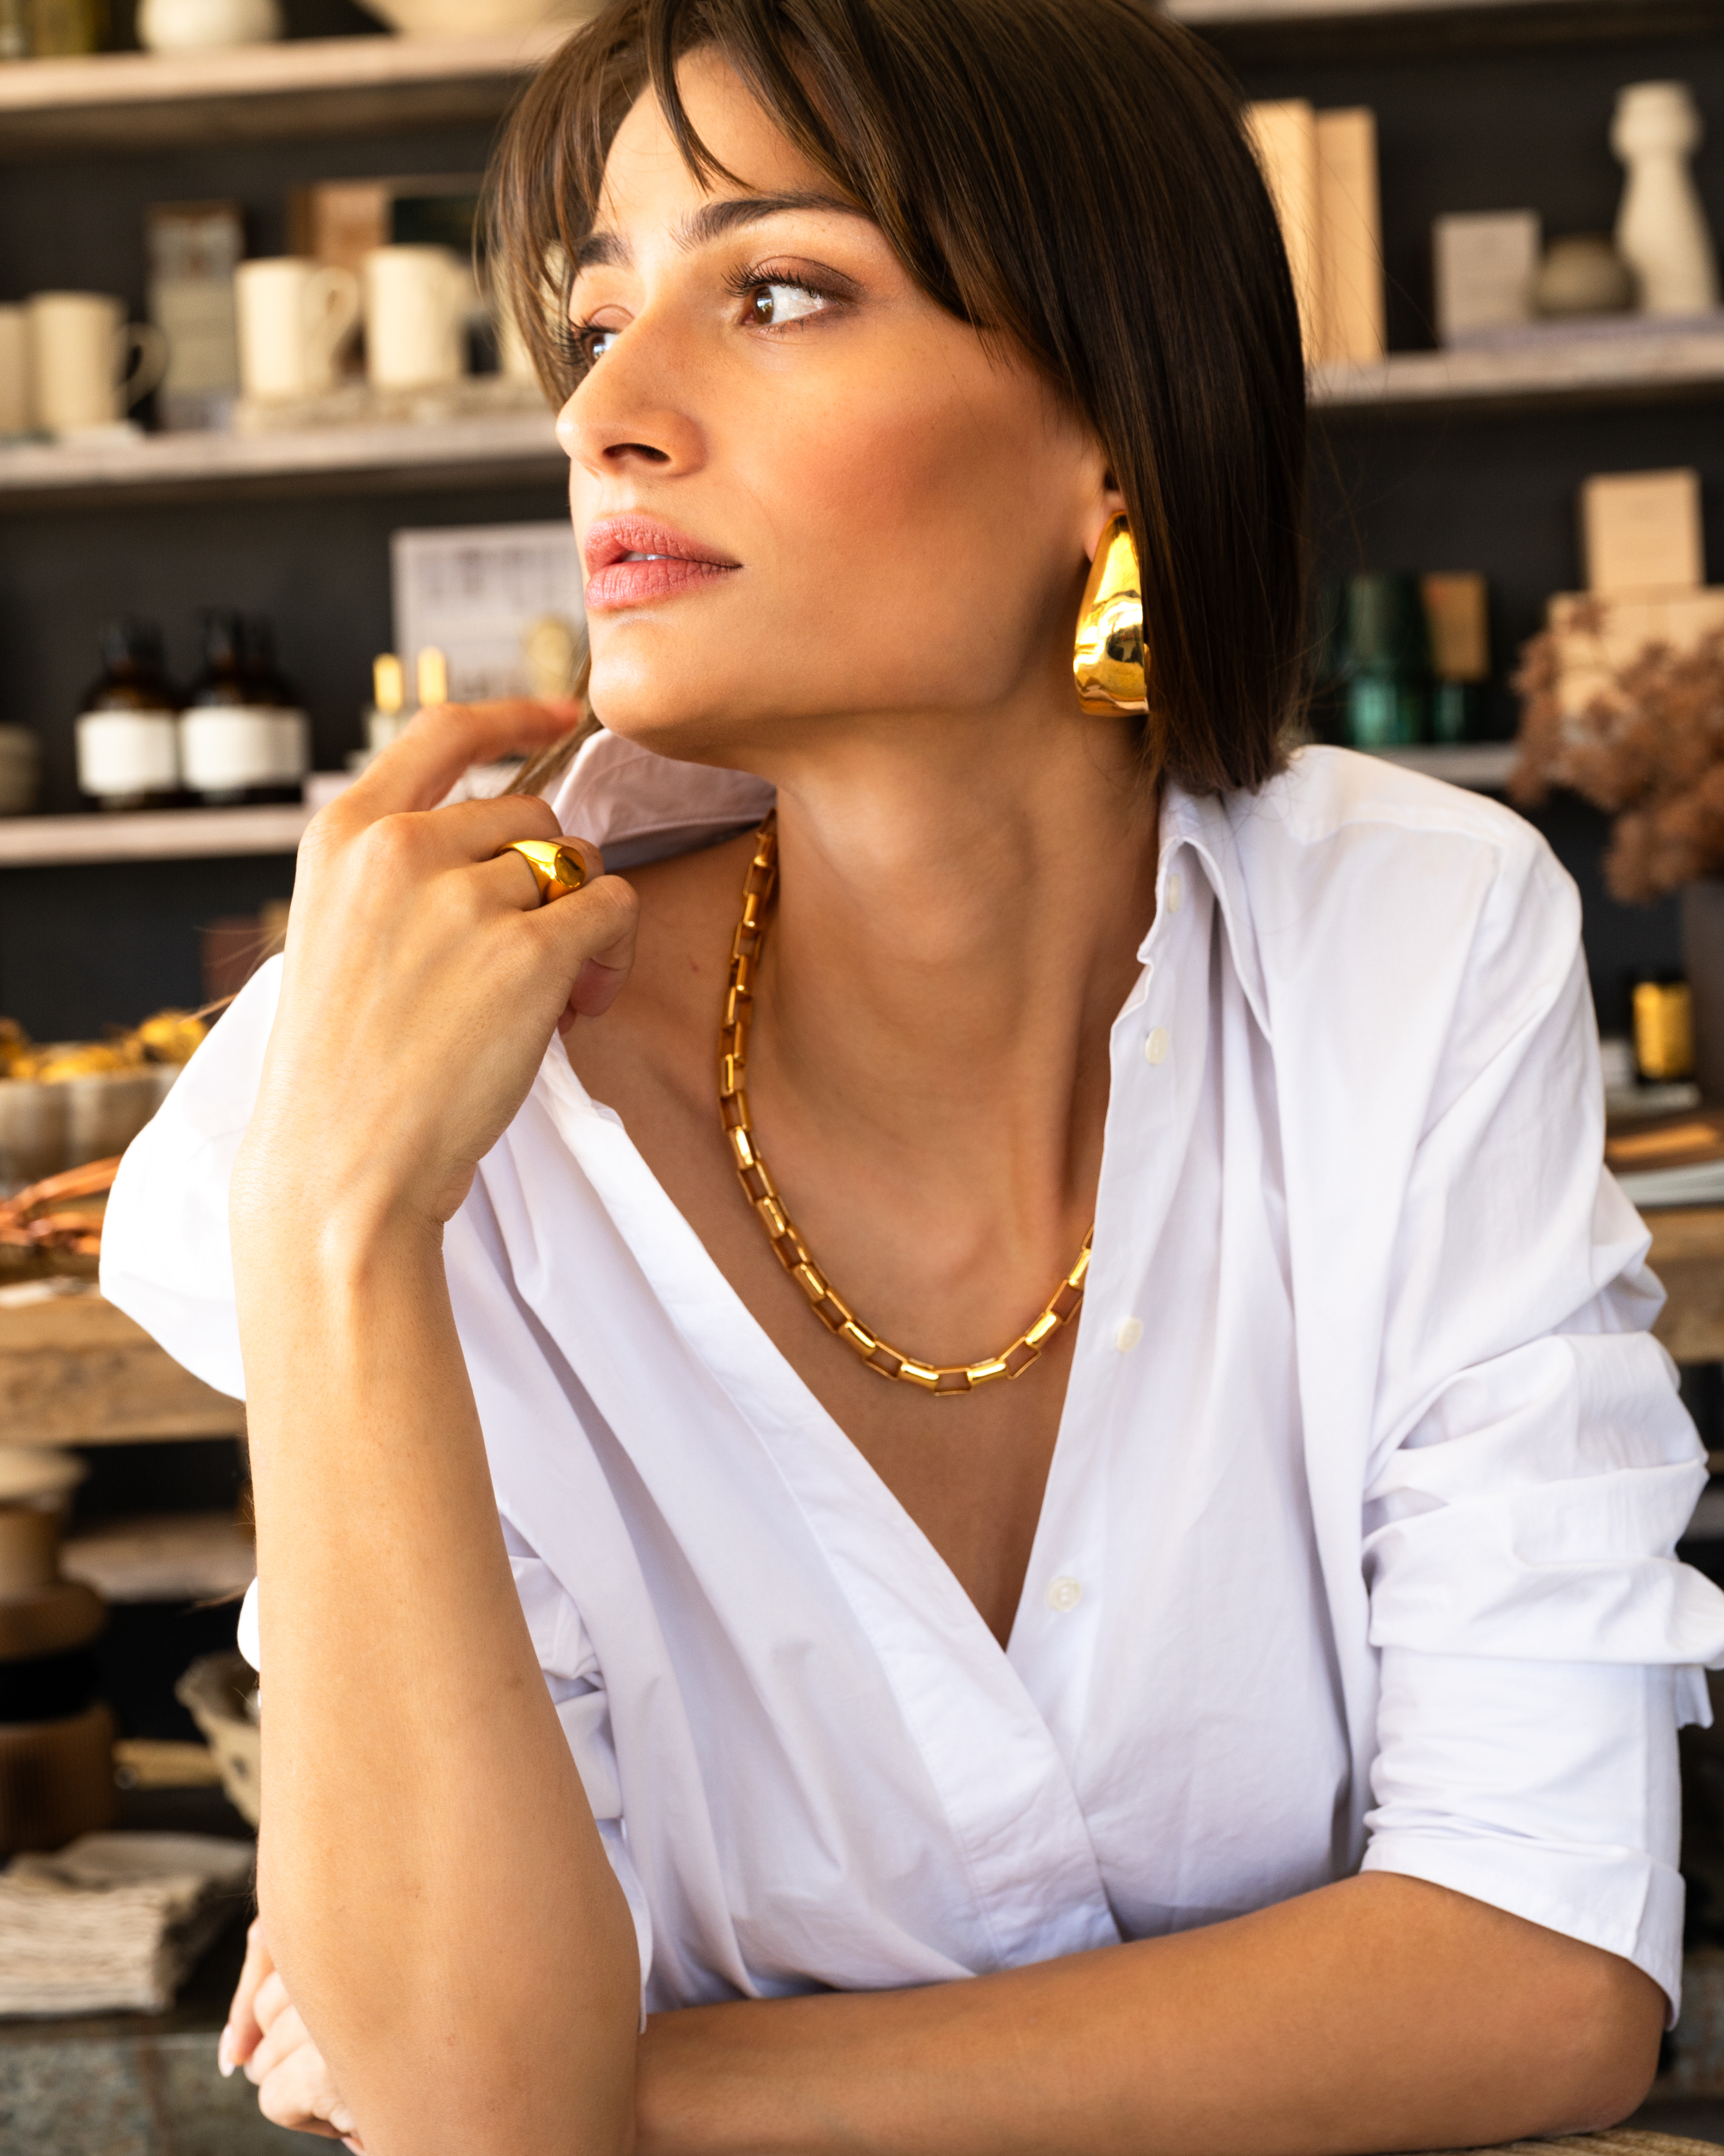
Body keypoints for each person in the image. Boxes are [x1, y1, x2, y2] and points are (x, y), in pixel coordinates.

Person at [102, 0, 1724, 2149]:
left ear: (1109, 432)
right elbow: (477, 2117)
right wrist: (335, 1223)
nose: (611, 409)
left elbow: (1544, 1978)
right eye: (593, 320)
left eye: (776, 289)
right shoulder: (412, 1090)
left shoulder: (1409, 938)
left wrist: (632, 2082)